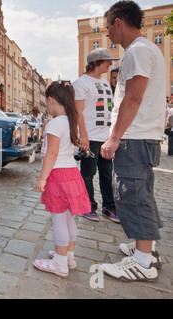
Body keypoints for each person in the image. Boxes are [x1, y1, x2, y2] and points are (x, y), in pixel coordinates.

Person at [100, 0, 166, 282]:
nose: (108, 36)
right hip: (143, 135)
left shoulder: (137, 52)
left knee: (132, 195)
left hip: (134, 137)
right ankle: (147, 250)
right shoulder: (150, 50)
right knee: (143, 194)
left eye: (108, 29)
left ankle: (142, 263)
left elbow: (134, 97)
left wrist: (114, 137)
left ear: (119, 23)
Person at [33, 81, 91, 278]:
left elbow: (51, 154)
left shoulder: (56, 123)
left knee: (58, 220)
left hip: (58, 175)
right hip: (72, 174)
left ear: (50, 101)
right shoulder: (70, 121)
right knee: (68, 219)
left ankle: (59, 263)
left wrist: (42, 178)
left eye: (46, 103)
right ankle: (68, 256)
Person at [73, 48, 120, 223]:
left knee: (107, 173)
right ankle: (87, 206)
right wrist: (83, 136)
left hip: (105, 137)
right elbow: (78, 111)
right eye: (108, 61)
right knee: (88, 173)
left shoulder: (105, 83)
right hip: (90, 136)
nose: (110, 64)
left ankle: (109, 206)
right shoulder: (81, 83)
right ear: (97, 62)